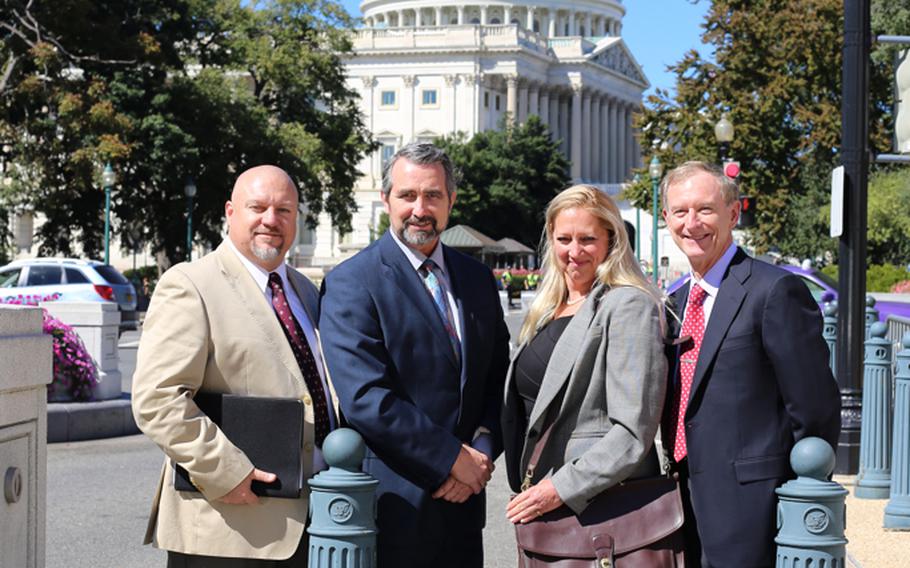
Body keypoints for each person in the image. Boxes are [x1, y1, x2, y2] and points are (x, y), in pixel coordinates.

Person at [131, 165, 338, 567]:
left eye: (284, 210)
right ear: (230, 212)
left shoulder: (306, 292)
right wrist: (227, 472)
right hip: (226, 527)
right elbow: (157, 400)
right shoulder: (191, 284)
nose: (270, 220)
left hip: (309, 524)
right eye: (257, 207)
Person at [319, 142, 510, 568]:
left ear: (451, 201)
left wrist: (480, 450)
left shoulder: (478, 280)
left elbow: (497, 376)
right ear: (385, 199)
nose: (419, 208)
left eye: (433, 195)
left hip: (464, 508)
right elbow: (367, 398)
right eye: (407, 195)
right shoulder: (353, 282)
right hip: (394, 508)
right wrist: (450, 460)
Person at [659, 161, 840, 567]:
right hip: (678, 503)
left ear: (733, 213)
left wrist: (802, 496)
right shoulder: (675, 303)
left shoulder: (774, 290)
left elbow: (814, 410)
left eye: (705, 209)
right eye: (681, 211)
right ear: (667, 218)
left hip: (752, 508)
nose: (692, 223)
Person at [502, 185, 667, 532]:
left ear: (611, 240)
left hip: (597, 505)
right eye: (564, 239)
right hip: (545, 502)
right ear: (550, 237)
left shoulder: (628, 304)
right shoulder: (547, 307)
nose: (574, 251)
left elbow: (632, 432)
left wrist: (558, 489)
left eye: (588, 239)